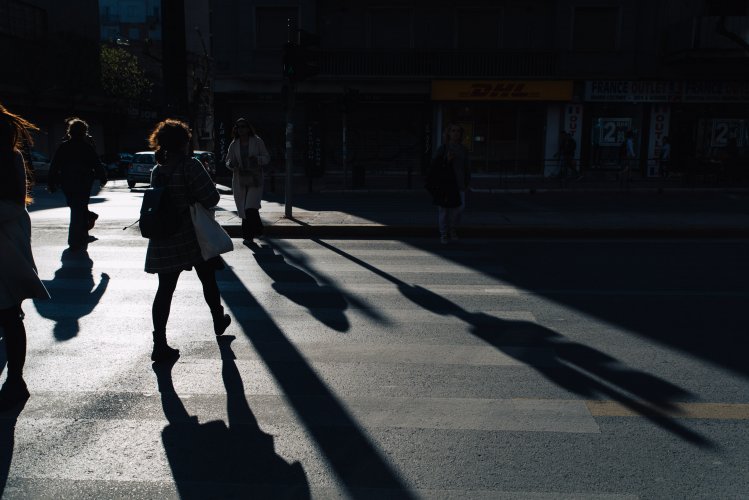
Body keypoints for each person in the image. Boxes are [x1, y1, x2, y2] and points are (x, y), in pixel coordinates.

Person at [144, 119, 231, 362]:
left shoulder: (157, 170)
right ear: (183, 142)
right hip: (192, 235)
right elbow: (211, 198)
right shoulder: (190, 166)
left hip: (165, 237)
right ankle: (218, 319)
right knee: (208, 278)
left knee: (165, 290)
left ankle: (159, 342)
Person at [0, 103, 50, 410]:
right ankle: (16, 379)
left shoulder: (11, 158)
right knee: (10, 315)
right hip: (12, 236)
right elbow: (19, 201)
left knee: (8, 315)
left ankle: (16, 379)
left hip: (7, 239)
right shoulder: (13, 157)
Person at [48, 118, 107, 251]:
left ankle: (76, 238)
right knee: (79, 208)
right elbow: (96, 163)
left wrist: (51, 182)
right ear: (84, 132)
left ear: (70, 132)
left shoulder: (64, 146)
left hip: (67, 182)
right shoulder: (86, 147)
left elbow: (55, 165)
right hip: (84, 182)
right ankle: (81, 233)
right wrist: (103, 177)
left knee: (76, 208)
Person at [224, 118, 270, 244]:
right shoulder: (234, 144)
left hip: (255, 178)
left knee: (250, 207)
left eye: (244, 126)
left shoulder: (257, 141)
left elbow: (266, 157)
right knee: (245, 208)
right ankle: (253, 233)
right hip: (240, 178)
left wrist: (257, 159)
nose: (241, 129)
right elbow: (227, 161)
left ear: (249, 128)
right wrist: (232, 164)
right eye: (238, 127)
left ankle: (253, 233)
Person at [426, 122, 470, 244]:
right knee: (444, 210)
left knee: (459, 209)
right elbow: (434, 165)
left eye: (458, 131)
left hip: (459, 183)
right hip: (445, 184)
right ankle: (444, 233)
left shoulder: (464, 149)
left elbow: (467, 167)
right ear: (448, 133)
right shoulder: (443, 148)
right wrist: (446, 159)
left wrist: (467, 182)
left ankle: (452, 229)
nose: (456, 133)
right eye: (453, 131)